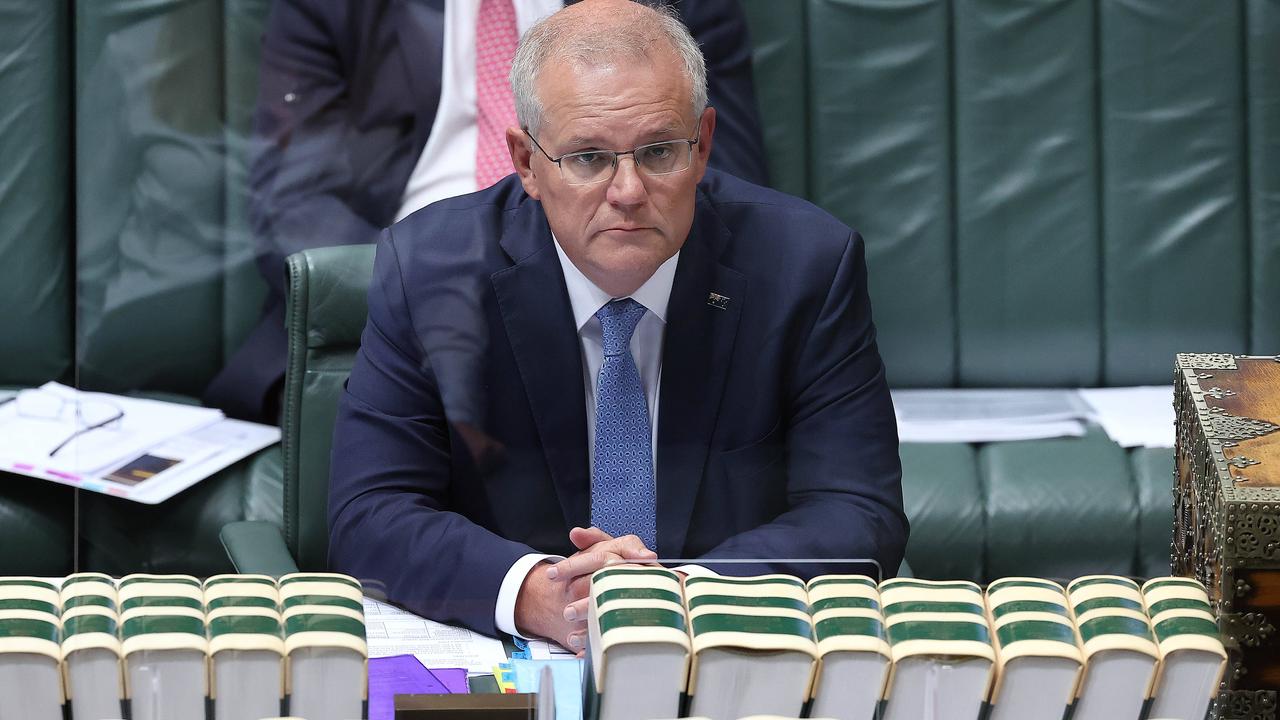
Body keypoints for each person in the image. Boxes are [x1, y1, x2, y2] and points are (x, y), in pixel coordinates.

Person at [328, 0, 907, 651]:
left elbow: (859, 514)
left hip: (720, 656)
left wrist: (684, 594)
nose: (628, 191)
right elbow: (369, 514)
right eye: (588, 158)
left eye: (659, 152)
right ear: (525, 163)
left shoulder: (804, 268)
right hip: (516, 658)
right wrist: (534, 592)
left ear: (704, 145)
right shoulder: (428, 270)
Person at [203, 0, 767, 423]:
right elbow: (297, 201)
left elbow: (722, 178)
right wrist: (428, 296)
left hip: (612, 299)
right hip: (394, 300)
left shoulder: (669, 8)